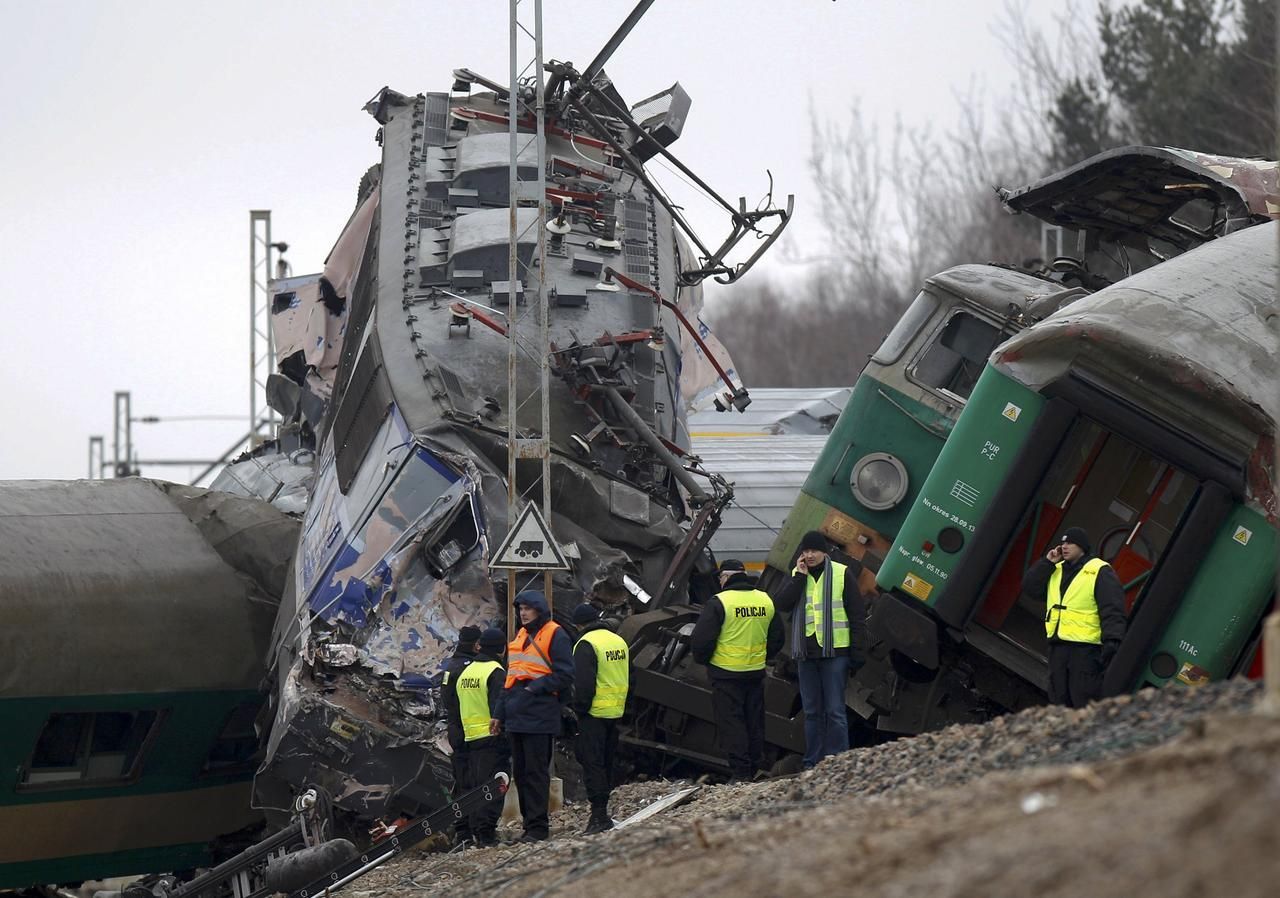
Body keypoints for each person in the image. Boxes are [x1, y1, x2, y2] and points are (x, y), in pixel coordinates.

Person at [774, 531, 866, 770]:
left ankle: (838, 761)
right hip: (806, 654)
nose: (809, 555)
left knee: (835, 710)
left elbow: (857, 615)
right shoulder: (798, 575)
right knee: (812, 711)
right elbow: (781, 604)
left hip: (835, 653)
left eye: (813, 551)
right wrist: (799, 578)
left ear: (824, 552)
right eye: (805, 551)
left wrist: (857, 652)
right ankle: (812, 761)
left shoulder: (841, 573)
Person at [690, 559, 783, 782]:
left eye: (720, 577)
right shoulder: (765, 600)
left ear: (726, 577)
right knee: (754, 722)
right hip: (755, 673)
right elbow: (778, 638)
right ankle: (754, 768)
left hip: (725, 675)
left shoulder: (720, 602)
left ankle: (741, 773)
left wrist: (706, 661)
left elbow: (701, 641)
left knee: (733, 724)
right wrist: (761, 656)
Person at [495, 590, 574, 843]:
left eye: (528, 608)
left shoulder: (555, 633)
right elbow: (510, 679)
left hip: (540, 714)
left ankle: (538, 828)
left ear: (539, 609)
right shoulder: (520, 636)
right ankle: (530, 825)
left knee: (537, 773)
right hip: (517, 716)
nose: (523, 613)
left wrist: (534, 688)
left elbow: (565, 675)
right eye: (520, 609)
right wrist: (499, 714)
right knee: (522, 773)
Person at [1022, 526, 1127, 708]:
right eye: (1063, 542)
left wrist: (1112, 642)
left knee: (1081, 698)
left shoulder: (1099, 571)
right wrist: (1047, 562)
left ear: (1082, 547)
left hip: (1085, 650)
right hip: (1058, 646)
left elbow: (1112, 608)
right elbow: (1030, 588)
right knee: (1058, 697)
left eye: (1070, 542)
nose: (1064, 546)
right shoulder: (1056, 569)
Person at [443, 628, 510, 846]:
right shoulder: (495, 671)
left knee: (469, 787)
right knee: (492, 787)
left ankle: (468, 833)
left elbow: (454, 706)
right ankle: (485, 835)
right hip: (490, 736)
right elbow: (498, 707)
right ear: (501, 649)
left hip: (468, 737)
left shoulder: (466, 672)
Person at [571, 602, 630, 834]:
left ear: (579, 625)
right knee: (606, 762)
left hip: (593, 714)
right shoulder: (618, 641)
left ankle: (598, 816)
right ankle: (603, 812)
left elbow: (583, 684)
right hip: (615, 712)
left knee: (592, 762)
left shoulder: (585, 644)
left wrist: (579, 709)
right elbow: (630, 676)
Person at [440, 625, 481, 844]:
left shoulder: (450, 666)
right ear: (476, 645)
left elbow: (446, 701)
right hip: (471, 730)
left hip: (455, 730)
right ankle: (470, 830)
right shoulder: (471, 667)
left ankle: (463, 829)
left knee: (461, 781)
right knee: (473, 781)